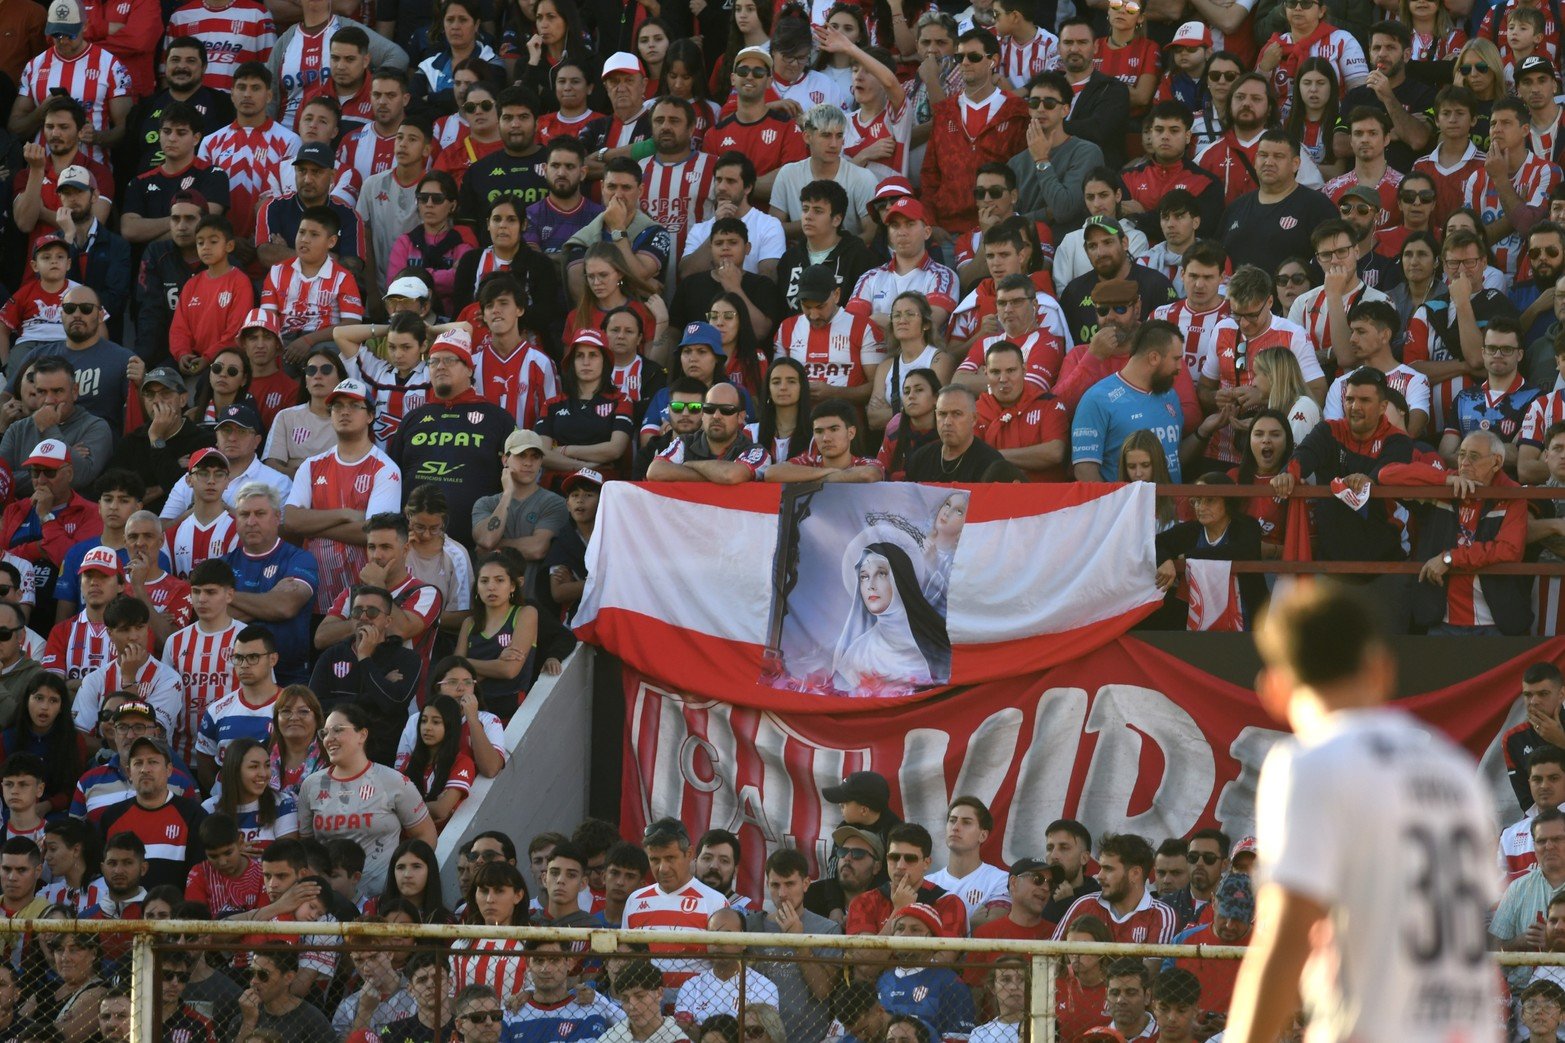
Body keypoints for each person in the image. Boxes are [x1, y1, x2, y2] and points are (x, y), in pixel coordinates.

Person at [1225, 584, 1501, 1043]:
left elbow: (1287, 931)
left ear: (1273, 689)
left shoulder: (1309, 762)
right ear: (1381, 668)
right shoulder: (1455, 771)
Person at [387, 330, 521, 547]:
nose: (440, 366)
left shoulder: (498, 419)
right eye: (434, 361)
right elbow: (392, 477)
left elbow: (519, 478)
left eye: (449, 360)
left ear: (469, 368)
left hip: (475, 546)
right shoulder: (413, 418)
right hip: (413, 545)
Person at [1271, 369, 1416, 561]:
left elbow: (1387, 472)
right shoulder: (1328, 431)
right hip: (1332, 559)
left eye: (1364, 400)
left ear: (1383, 407)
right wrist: (1288, 474)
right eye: (1349, 399)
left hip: (1385, 559)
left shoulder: (1398, 441)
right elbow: (1304, 455)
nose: (1355, 406)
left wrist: (1369, 480)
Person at [296, 703, 436, 903]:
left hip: (385, 900)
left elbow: (426, 834)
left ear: (362, 735)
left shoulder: (394, 781)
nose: (329, 739)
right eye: (325, 733)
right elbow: (308, 847)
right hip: (329, 903)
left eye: (338, 730)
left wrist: (405, 883)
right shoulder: (311, 785)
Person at [920, 29, 1029, 233]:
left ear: (993, 61)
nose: (965, 62)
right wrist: (931, 223)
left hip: (1001, 229)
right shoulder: (945, 112)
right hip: (947, 229)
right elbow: (930, 175)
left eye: (974, 57)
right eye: (959, 57)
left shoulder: (1017, 111)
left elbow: (1023, 175)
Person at [223, 484, 317, 685]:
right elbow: (211, 616)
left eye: (259, 514)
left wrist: (227, 597)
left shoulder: (300, 559)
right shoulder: (222, 565)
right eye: (244, 514)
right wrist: (270, 597)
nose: (251, 522)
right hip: (232, 675)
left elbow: (285, 606)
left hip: (288, 677)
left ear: (276, 517)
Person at [625, 817, 729, 985]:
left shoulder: (715, 901)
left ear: (689, 854)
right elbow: (625, 960)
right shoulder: (634, 901)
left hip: (696, 1008)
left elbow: (726, 964)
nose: (663, 868)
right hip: (645, 1007)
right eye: (655, 860)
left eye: (670, 858)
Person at [764, 401, 884, 484]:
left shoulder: (865, 462)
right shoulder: (809, 461)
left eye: (834, 429)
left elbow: (868, 475)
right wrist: (829, 471)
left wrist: (816, 480)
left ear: (851, 433)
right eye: (819, 431)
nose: (826, 438)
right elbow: (771, 473)